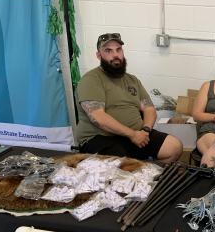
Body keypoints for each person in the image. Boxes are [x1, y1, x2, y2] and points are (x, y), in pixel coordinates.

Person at [76, 33, 183, 162]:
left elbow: (149, 109)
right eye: (108, 51)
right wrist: (132, 135)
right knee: (123, 163)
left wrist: (145, 131)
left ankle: (148, 173)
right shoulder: (91, 79)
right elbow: (98, 118)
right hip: (102, 138)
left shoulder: (132, 80)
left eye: (118, 50)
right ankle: (136, 171)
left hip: (137, 134)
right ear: (99, 55)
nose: (115, 55)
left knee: (174, 147)